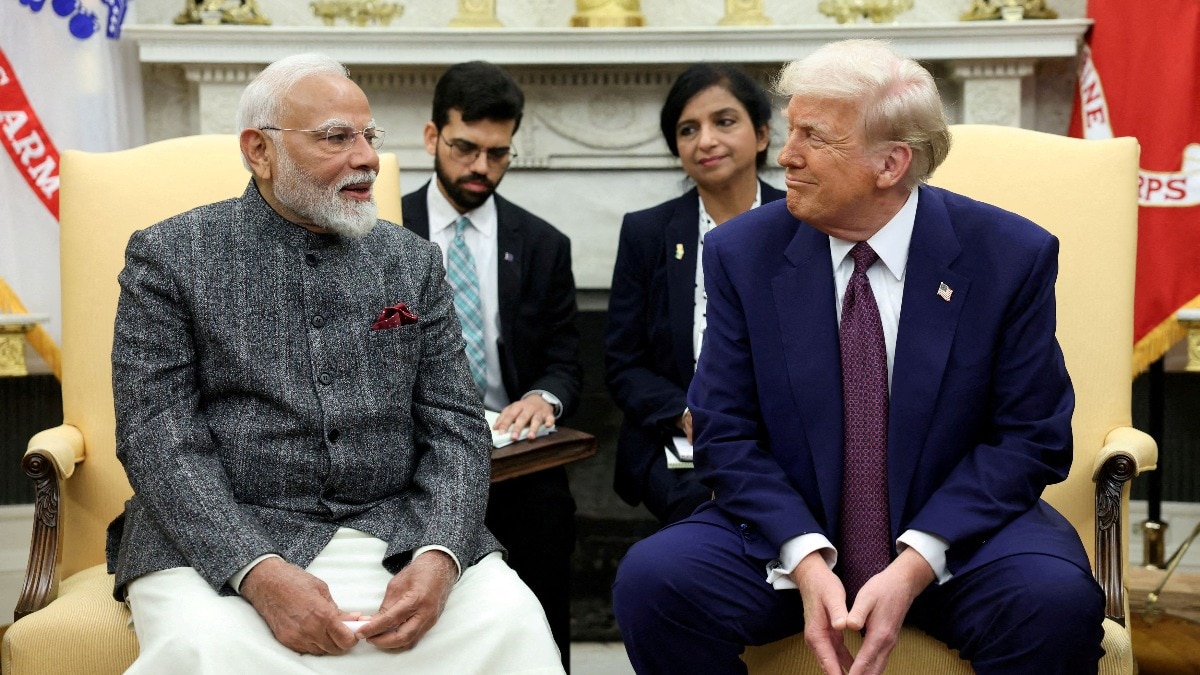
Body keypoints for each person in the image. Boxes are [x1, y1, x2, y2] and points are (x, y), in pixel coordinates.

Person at [612, 39, 1105, 675]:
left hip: (959, 541)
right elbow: (724, 430)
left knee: (1054, 602)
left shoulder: (1008, 255)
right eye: (790, 133)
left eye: (813, 137)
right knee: (655, 581)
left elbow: (1031, 438)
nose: (784, 157)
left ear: (891, 162)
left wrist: (916, 561)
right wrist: (805, 556)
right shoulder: (743, 253)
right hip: (790, 534)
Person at [107, 53, 563, 674]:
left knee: (512, 622)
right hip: (221, 539)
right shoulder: (169, 257)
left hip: (395, 530)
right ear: (259, 151)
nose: (368, 158)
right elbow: (156, 437)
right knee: (208, 649)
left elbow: (456, 427)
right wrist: (257, 571)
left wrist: (440, 555)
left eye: (368, 137)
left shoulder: (411, 262)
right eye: (335, 137)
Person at [401, 60, 582, 670]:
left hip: (514, 455)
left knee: (546, 523)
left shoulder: (542, 244)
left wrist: (544, 397)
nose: (482, 168)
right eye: (465, 148)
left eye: (498, 153)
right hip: (407, 456)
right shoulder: (382, 230)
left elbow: (565, 357)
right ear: (432, 138)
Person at [605, 63, 784, 525]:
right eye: (688, 130)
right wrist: (686, 414)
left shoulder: (802, 224)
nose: (706, 140)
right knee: (704, 512)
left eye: (724, 122)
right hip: (681, 437)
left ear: (762, 135)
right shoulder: (647, 232)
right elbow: (624, 364)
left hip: (786, 433)